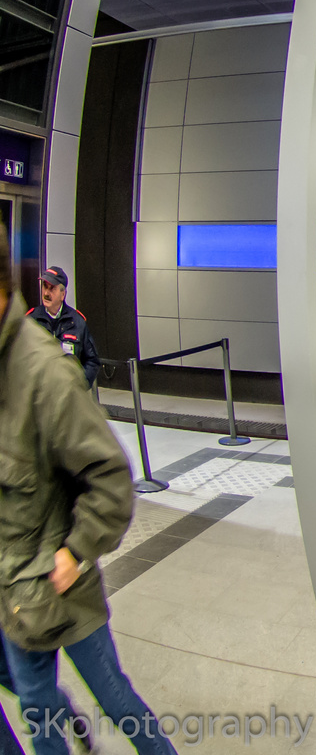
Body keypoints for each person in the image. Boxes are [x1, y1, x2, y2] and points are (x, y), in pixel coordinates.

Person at [0, 243, 176, 755]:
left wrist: (73, 553)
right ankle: (67, 722)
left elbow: (112, 479)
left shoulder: (45, 370)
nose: (49, 291)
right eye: (46, 285)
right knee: (36, 710)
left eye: (55, 285)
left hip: (59, 587)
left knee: (115, 700)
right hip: (13, 587)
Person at [27, 267, 100, 389]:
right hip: (40, 395)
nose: (46, 293)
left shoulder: (77, 321)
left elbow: (92, 360)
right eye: (45, 287)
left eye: (52, 289)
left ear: (63, 294)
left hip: (68, 395)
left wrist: (80, 387)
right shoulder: (31, 320)